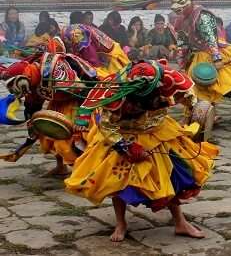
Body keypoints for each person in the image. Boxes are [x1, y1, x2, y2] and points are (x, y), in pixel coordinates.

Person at [65, 60, 218, 242]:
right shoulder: (114, 92)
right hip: (123, 134)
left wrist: (195, 115)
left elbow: (190, 97)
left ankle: (180, 222)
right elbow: (105, 126)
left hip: (159, 132)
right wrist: (126, 147)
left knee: (171, 178)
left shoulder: (168, 78)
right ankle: (121, 224)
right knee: (116, 182)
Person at [0, 43, 96, 175]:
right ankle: (61, 167)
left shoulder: (55, 72)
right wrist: (28, 135)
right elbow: (32, 105)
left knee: (69, 139)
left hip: (76, 101)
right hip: (57, 103)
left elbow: (83, 91)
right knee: (49, 133)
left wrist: (83, 117)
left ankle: (80, 173)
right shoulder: (32, 79)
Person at [62, 23, 130, 78]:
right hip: (109, 52)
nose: (69, 46)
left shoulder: (82, 41)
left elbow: (95, 65)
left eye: (67, 42)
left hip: (113, 60)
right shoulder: (76, 30)